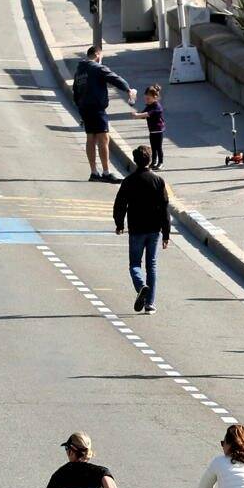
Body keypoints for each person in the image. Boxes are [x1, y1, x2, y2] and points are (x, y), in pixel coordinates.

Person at [113, 146, 173, 311]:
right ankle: (150, 304)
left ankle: (141, 286)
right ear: (150, 159)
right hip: (154, 229)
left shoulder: (129, 181)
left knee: (134, 264)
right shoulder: (158, 181)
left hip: (136, 229)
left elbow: (120, 205)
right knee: (151, 265)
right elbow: (164, 208)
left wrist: (119, 224)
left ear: (135, 160)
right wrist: (166, 233)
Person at [73, 44, 135, 181]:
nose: (101, 59)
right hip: (96, 107)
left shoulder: (79, 71)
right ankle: (106, 173)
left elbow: (75, 92)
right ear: (97, 55)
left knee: (90, 137)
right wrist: (127, 89)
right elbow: (114, 78)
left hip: (84, 108)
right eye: (101, 56)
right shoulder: (97, 68)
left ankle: (94, 172)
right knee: (103, 138)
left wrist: (80, 109)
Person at [141, 83, 166, 170]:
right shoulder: (149, 106)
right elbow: (143, 114)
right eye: (146, 98)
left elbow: (149, 114)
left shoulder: (157, 107)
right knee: (153, 147)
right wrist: (139, 115)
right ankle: (153, 161)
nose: (146, 99)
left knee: (158, 147)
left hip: (158, 130)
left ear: (155, 97)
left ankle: (160, 162)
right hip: (152, 130)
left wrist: (138, 115)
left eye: (148, 98)